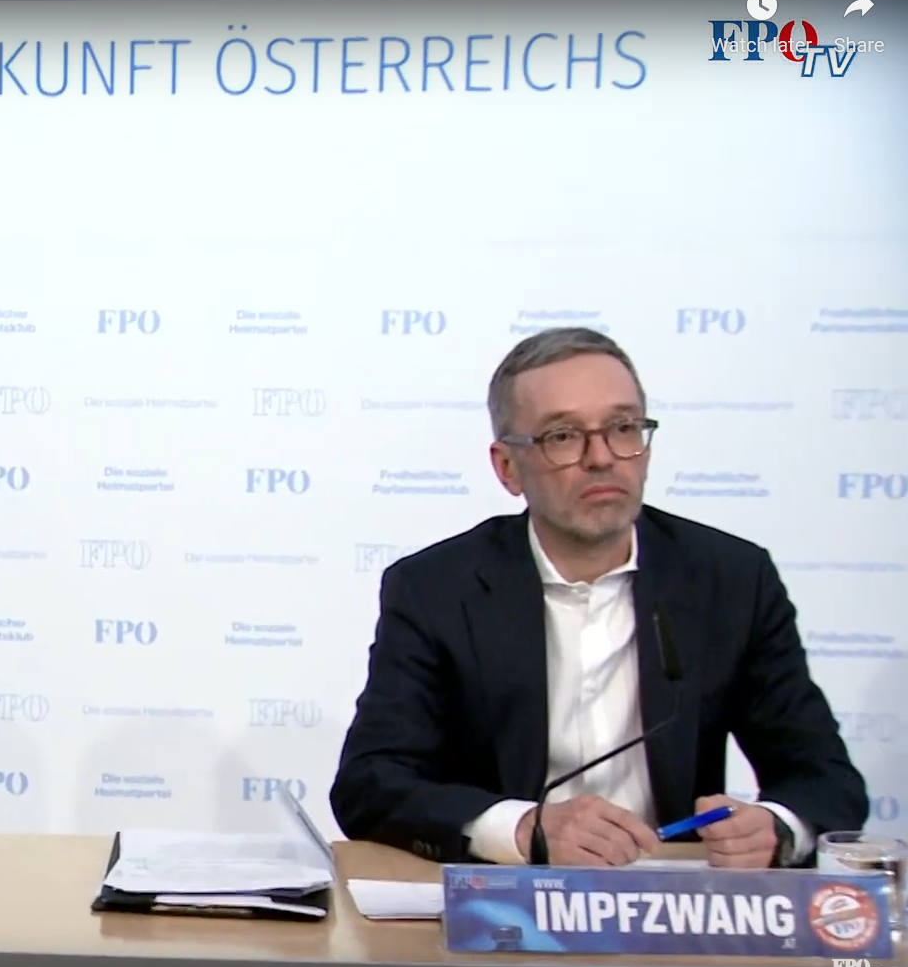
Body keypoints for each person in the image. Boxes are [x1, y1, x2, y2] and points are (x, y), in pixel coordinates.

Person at [330, 327, 866, 868]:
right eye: (563, 436)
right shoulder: (436, 589)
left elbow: (824, 780)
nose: (602, 457)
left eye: (623, 428)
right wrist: (523, 829)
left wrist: (775, 828)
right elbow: (370, 783)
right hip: (504, 900)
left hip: (674, 896)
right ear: (507, 467)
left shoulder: (730, 579)